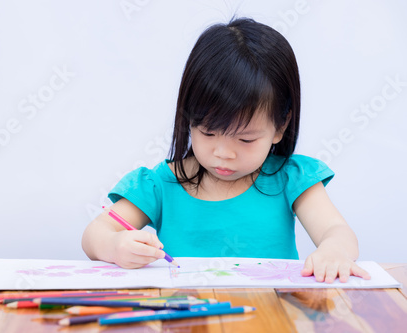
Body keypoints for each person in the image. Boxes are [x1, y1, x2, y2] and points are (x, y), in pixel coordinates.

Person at [82, 17, 370, 283]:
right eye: (208, 132)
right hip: (186, 316)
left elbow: (338, 232)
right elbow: (95, 235)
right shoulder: (160, 184)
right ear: (188, 118)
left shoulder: (290, 178)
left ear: (280, 127)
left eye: (245, 140)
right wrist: (115, 246)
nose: (224, 153)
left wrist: (334, 251)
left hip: (271, 316)